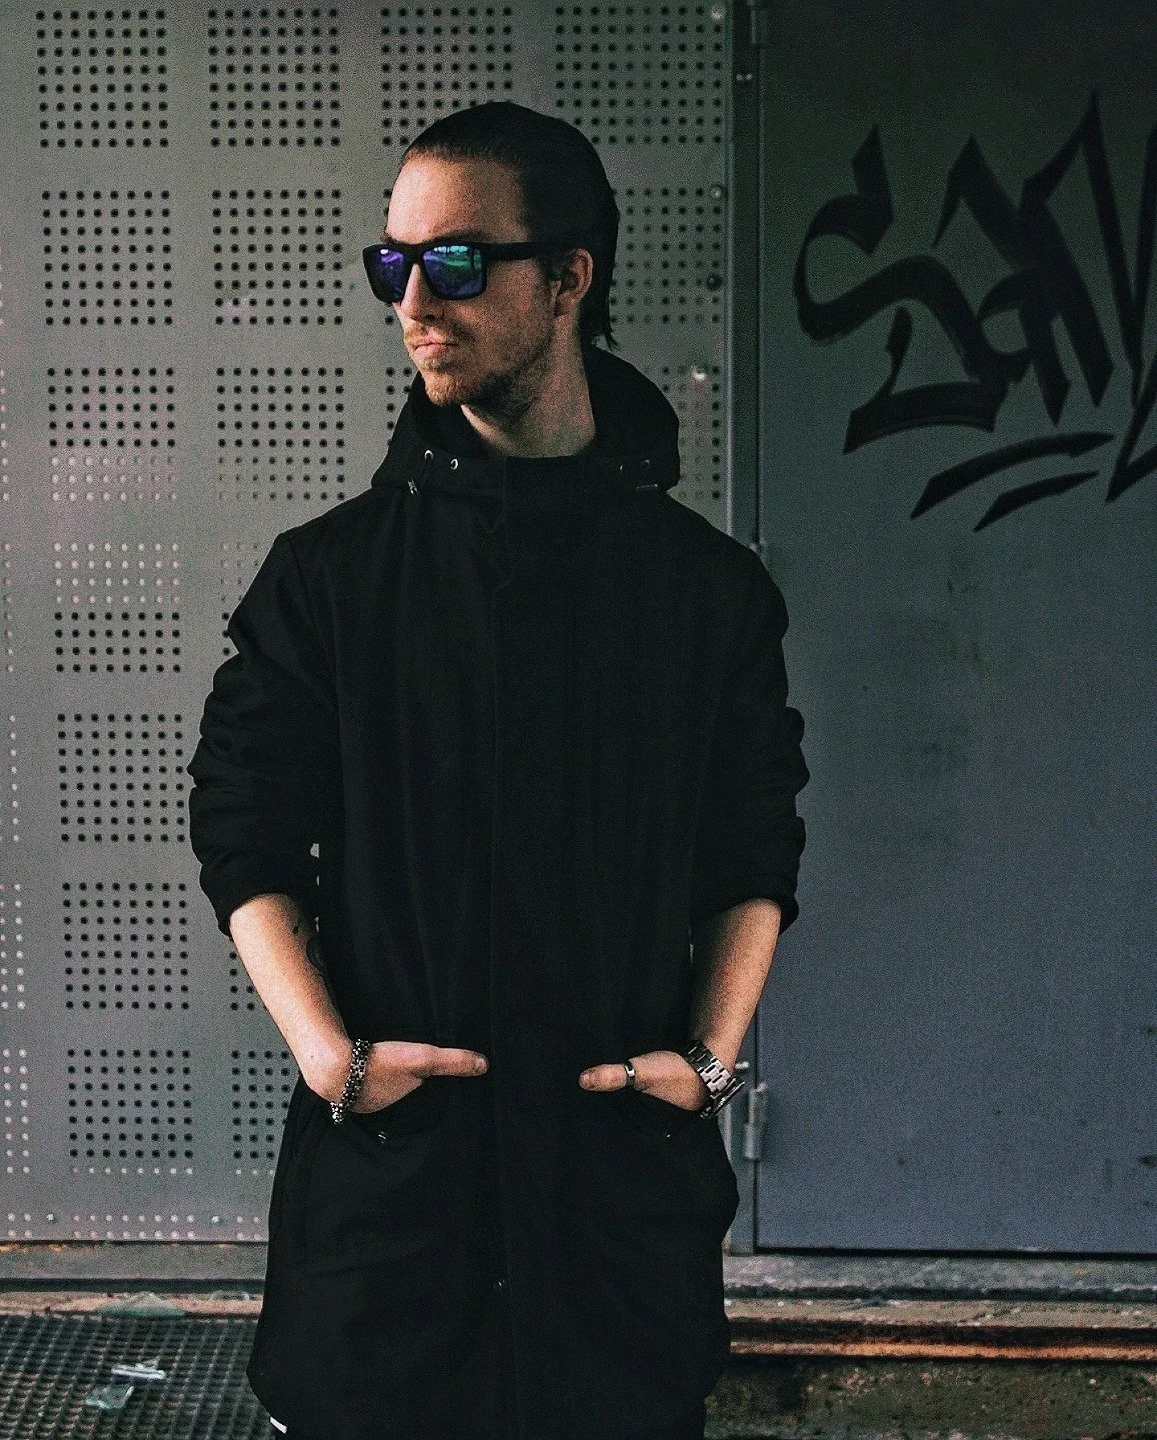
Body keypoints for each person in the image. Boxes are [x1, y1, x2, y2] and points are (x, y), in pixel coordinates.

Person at [186, 100, 809, 1440]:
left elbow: (753, 849)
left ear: (569, 276)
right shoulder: (334, 584)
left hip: (608, 1208)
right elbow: (242, 831)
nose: (414, 300)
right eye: (392, 264)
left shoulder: (704, 596)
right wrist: (334, 1061)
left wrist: (702, 1067)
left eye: (456, 265)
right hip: (395, 1215)